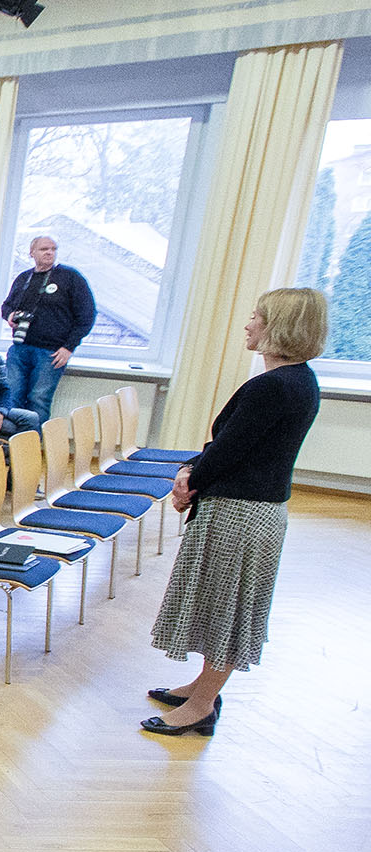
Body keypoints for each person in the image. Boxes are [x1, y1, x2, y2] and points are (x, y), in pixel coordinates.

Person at [144, 289, 326, 736]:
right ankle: (200, 687)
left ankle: (201, 706)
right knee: (218, 604)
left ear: (279, 326)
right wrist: (192, 470)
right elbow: (231, 445)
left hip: (241, 514)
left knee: (225, 609)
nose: (248, 324)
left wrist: (189, 480)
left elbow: (229, 452)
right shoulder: (295, 380)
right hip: (247, 509)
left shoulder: (275, 386)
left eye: (256, 317)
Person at [0, 235, 96, 422]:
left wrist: (69, 347)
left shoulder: (70, 277)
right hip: (20, 347)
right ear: (32, 252)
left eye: (53, 249)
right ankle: (10, 446)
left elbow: (86, 316)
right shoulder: (24, 278)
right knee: (11, 397)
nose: (49, 252)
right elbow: (7, 306)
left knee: (38, 400)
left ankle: (34, 447)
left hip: (51, 352)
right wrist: (10, 315)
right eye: (44, 249)